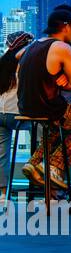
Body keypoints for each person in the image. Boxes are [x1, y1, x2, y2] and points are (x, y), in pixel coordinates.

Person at [17, 9, 71, 193]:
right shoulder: (62, 47)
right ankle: (55, 167)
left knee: (57, 127)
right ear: (66, 26)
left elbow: (17, 56)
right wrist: (62, 76)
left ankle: (34, 163)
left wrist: (53, 73)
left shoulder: (33, 45)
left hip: (25, 107)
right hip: (48, 107)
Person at [0, 32, 34, 196]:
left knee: (2, 156)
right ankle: (40, 179)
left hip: (0, 113)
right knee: (44, 133)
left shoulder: (2, 61)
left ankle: (3, 194)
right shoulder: (26, 62)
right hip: (19, 115)